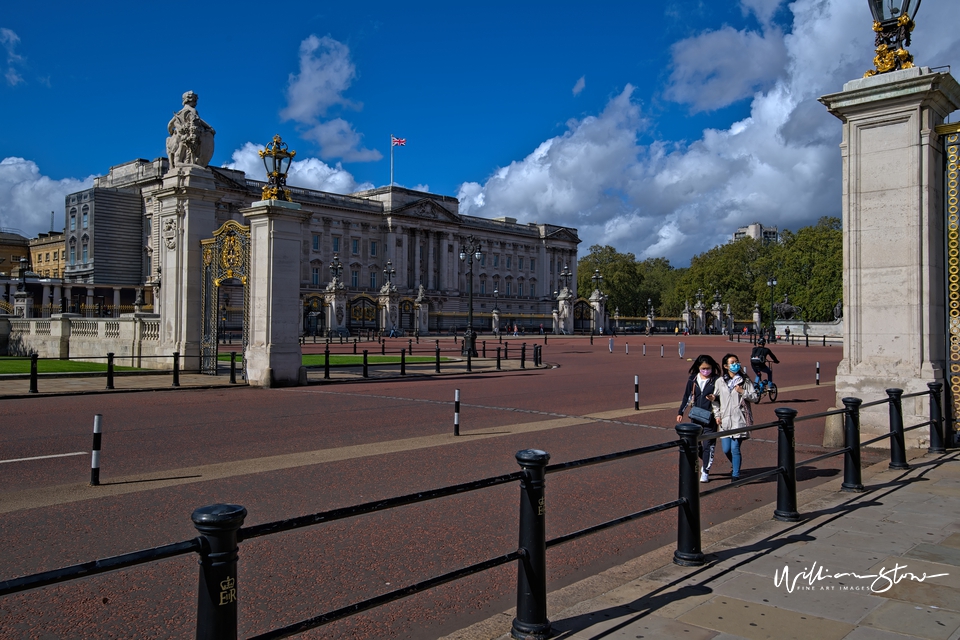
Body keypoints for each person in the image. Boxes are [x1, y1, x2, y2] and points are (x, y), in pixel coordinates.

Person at [677, 354, 721, 483]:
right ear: (698, 368)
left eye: (708, 368)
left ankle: (706, 471)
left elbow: (723, 397)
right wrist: (681, 412)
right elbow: (687, 397)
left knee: (709, 445)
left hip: (711, 417)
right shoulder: (693, 379)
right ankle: (705, 460)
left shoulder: (717, 380)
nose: (706, 371)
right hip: (696, 417)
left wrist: (715, 398)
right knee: (697, 445)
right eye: (703, 368)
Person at [717, 353, 758, 481]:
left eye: (737, 362)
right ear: (725, 366)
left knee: (735, 448)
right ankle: (736, 463)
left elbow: (755, 397)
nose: (736, 364)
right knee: (726, 449)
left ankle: (735, 475)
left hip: (739, 419)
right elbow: (715, 400)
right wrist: (717, 415)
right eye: (732, 362)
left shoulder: (744, 381)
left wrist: (743, 392)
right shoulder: (720, 381)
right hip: (724, 420)